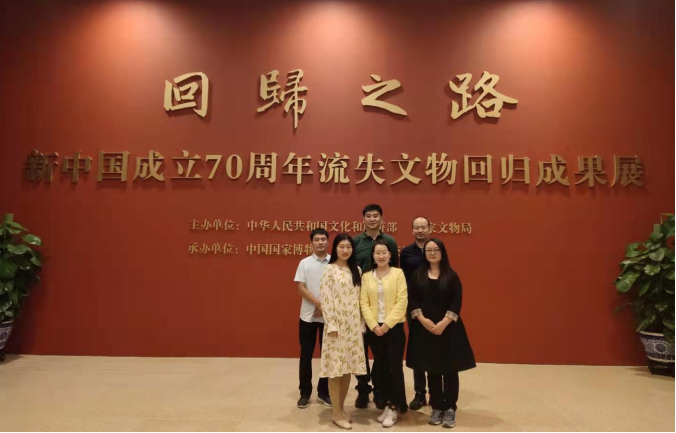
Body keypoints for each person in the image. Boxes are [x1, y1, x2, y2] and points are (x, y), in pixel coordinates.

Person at [406, 239, 476, 429]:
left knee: (450, 370)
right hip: (425, 329)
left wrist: (444, 323)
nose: (432, 253)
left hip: (448, 328)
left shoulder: (451, 275)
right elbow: (413, 299)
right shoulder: (418, 275)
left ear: (442, 252)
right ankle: (437, 406)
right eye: (428, 250)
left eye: (436, 249)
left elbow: (456, 301)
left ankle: (450, 407)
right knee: (432, 369)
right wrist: (422, 319)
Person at [353, 204, 399, 409]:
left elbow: (395, 271)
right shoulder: (355, 242)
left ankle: (380, 390)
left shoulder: (390, 241)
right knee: (361, 350)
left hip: (382, 305)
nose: (372, 219)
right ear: (363, 219)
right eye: (368, 216)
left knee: (381, 352)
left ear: (382, 218)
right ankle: (363, 390)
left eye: (376, 216)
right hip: (359, 303)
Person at [320, 234, 367, 430]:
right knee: (335, 369)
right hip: (336, 328)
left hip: (353, 327)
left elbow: (360, 299)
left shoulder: (357, 270)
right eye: (341, 246)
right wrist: (331, 323)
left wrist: (361, 324)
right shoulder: (329, 269)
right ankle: (336, 413)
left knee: (347, 368)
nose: (345, 250)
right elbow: (325, 298)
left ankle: (340, 408)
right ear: (335, 248)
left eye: (348, 246)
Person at [361, 240, 408, 428]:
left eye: (384, 252)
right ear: (372, 256)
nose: (381, 255)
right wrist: (374, 326)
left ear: (390, 255)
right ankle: (387, 404)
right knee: (380, 367)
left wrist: (387, 325)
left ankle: (395, 406)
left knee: (394, 367)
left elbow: (402, 301)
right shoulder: (366, 277)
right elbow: (363, 303)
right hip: (374, 330)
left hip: (394, 328)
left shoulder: (398, 273)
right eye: (377, 253)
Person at [294, 228, 332, 409]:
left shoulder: (334, 263)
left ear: (328, 241)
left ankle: (324, 392)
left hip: (329, 317)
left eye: (323, 239)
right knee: (306, 355)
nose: (320, 242)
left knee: (327, 355)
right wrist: (318, 304)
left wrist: (325, 306)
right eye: (317, 239)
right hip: (308, 316)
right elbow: (301, 288)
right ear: (311, 242)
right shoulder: (304, 263)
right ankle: (305, 392)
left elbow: (338, 288)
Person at [399, 217, 432, 411]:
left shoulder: (436, 248)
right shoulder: (406, 253)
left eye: (423, 227)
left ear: (429, 229)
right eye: (416, 228)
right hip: (414, 305)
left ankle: (435, 392)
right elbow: (403, 280)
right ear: (412, 231)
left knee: (435, 347)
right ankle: (420, 393)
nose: (420, 230)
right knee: (418, 347)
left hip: (435, 304)